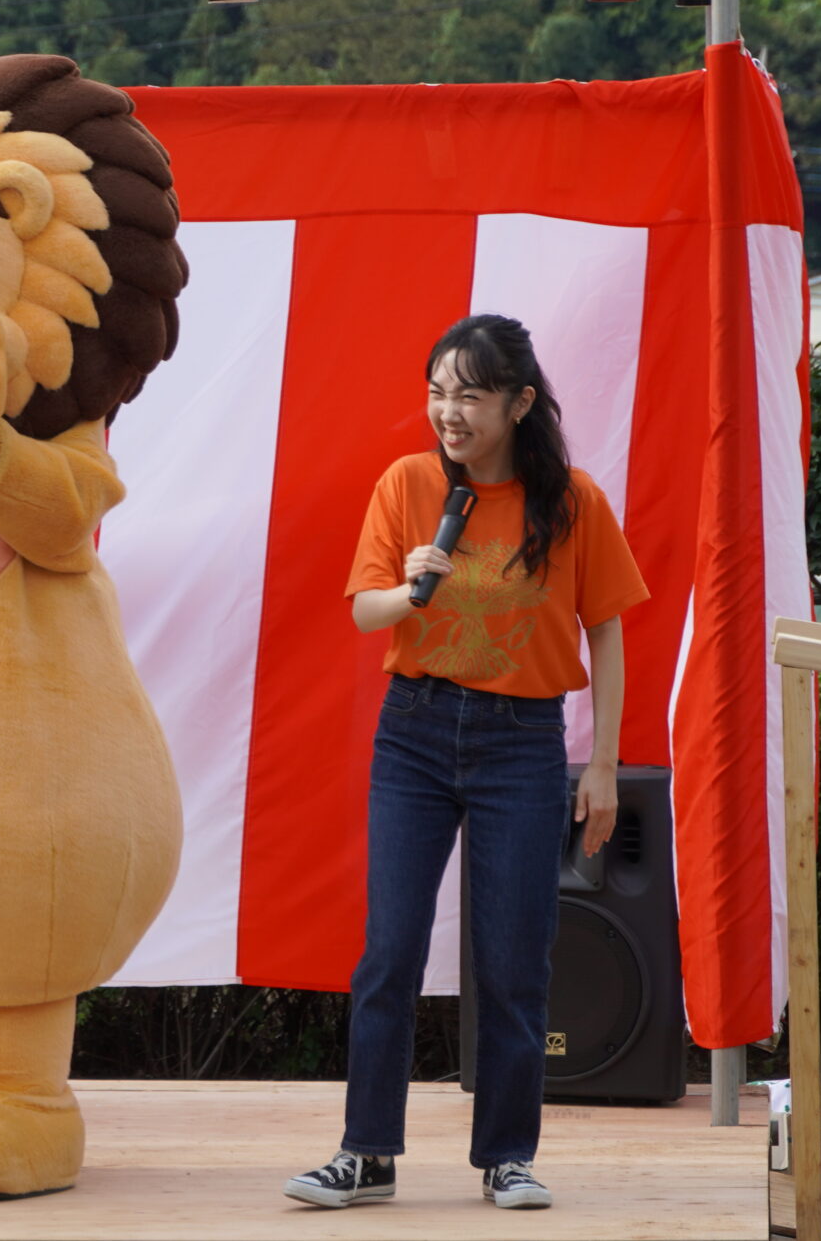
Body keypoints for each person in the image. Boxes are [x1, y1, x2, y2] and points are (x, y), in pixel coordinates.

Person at [286, 314, 646, 1213]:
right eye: (438, 390)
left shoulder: (572, 503)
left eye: (470, 394)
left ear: (520, 403)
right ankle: (366, 1152)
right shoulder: (408, 484)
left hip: (523, 741)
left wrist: (601, 763)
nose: (448, 410)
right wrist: (409, 586)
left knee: (516, 957)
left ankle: (508, 1156)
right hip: (415, 730)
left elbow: (605, 627)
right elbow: (367, 614)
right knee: (390, 951)